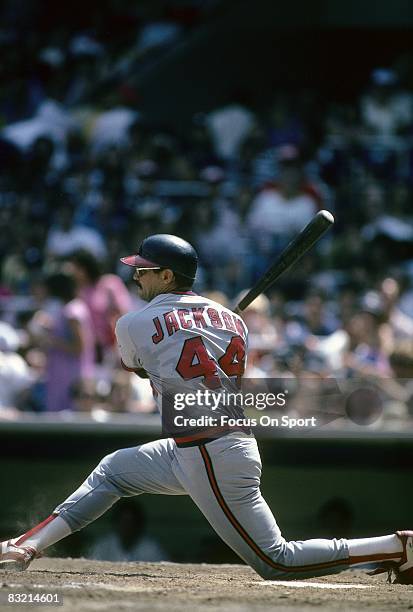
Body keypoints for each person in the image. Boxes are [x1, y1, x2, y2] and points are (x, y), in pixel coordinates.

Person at [0, 234, 412, 584]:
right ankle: (26, 545)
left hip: (210, 449)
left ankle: (397, 546)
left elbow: (141, 369)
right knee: (113, 471)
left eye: (144, 270)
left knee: (275, 561)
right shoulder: (236, 322)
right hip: (198, 446)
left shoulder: (133, 322)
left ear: (167, 275)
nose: (136, 276)